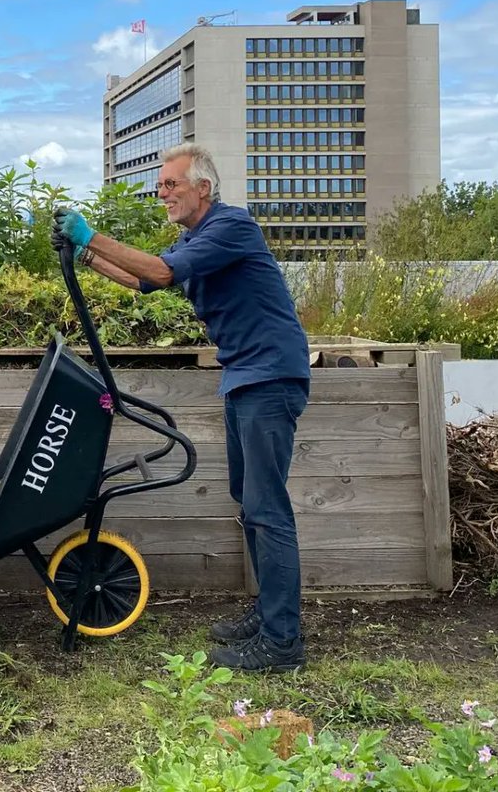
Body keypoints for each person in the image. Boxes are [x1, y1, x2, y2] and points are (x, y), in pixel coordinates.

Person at [53, 142, 310, 673]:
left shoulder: (233, 227)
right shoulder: (198, 240)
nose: (162, 192)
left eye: (171, 184)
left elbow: (163, 273)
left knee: (267, 508)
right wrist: (87, 255)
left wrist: (90, 234)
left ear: (203, 189)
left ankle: (283, 641)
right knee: (249, 502)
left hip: (270, 375)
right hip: (245, 376)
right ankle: (269, 616)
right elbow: (143, 279)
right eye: (161, 185)